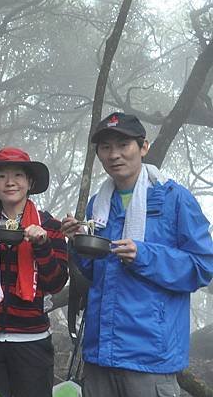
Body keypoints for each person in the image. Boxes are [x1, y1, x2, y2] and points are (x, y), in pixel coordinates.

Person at [61, 112, 213, 397]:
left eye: (123, 145)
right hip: (99, 354)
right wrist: (78, 242)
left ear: (143, 147)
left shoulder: (173, 198)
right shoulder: (100, 203)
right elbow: (96, 272)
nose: (114, 154)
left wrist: (144, 256)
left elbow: (202, 266)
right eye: (105, 147)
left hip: (150, 356)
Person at [0, 147, 68, 397]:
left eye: (18, 175)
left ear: (29, 182)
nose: (10, 182)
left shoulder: (50, 226)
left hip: (31, 340)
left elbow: (56, 283)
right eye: (1, 176)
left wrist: (42, 246)